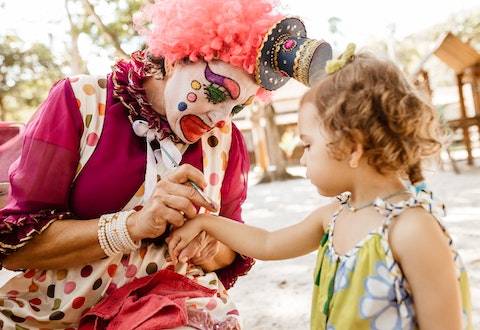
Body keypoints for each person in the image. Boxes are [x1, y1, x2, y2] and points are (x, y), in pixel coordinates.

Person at [0, 0, 332, 328]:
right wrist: (133, 226)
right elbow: (16, 250)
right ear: (175, 59)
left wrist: (207, 245)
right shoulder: (80, 102)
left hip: (170, 310)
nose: (220, 119)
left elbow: (229, 252)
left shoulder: (225, 140)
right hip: (53, 318)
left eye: (237, 108)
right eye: (217, 94)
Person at [168, 45, 473, 329]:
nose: (303, 158)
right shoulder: (334, 217)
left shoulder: (411, 230)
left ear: (352, 146)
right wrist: (205, 221)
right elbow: (267, 243)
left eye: (308, 144)